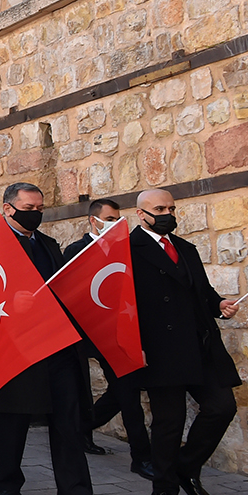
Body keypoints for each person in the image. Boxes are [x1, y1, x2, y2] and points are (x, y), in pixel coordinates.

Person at [0, 182, 110, 495]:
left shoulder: (49, 246)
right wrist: (10, 304)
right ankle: (6, 483)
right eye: (29, 208)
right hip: (16, 349)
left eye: (40, 208)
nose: (35, 214)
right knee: (14, 419)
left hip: (58, 348)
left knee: (68, 421)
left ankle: (75, 494)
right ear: (8, 207)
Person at [128, 188, 240, 495]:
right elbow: (121, 307)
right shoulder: (127, 252)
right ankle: (163, 492)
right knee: (169, 423)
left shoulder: (185, 248)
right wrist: (136, 348)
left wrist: (218, 305)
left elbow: (201, 293)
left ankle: (186, 467)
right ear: (141, 214)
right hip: (160, 351)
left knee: (222, 407)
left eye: (171, 208)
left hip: (198, 346)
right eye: (160, 208)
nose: (168, 214)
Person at [67, 199, 152, 475]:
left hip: (118, 332)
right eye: (111, 218)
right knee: (104, 390)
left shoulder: (123, 249)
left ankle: (139, 456)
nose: (117, 223)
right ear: (95, 220)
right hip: (87, 334)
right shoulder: (76, 251)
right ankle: (85, 434)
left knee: (125, 391)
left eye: (118, 218)